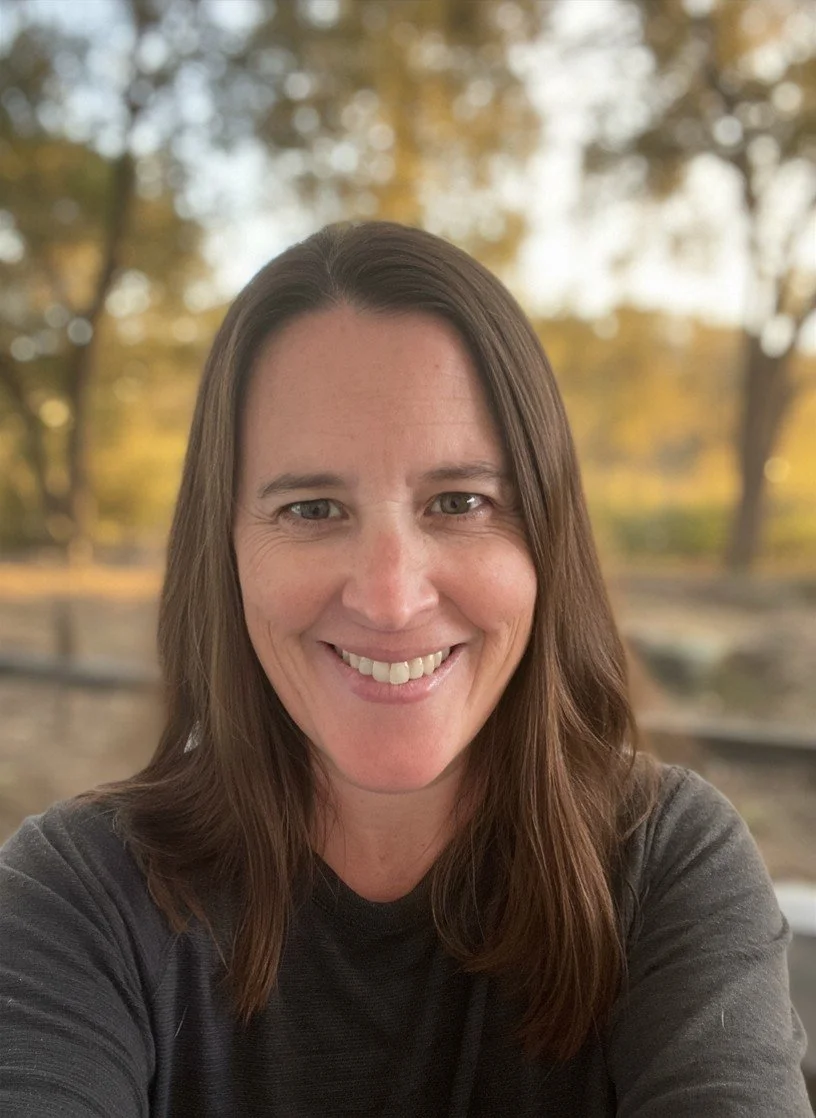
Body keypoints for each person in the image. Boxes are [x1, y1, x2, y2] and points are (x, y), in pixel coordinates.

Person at [0, 221, 809, 1117]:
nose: (390, 598)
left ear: (547, 538)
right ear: (223, 554)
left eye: (460, 502)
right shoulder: (76, 898)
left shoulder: (667, 864)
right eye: (312, 508)